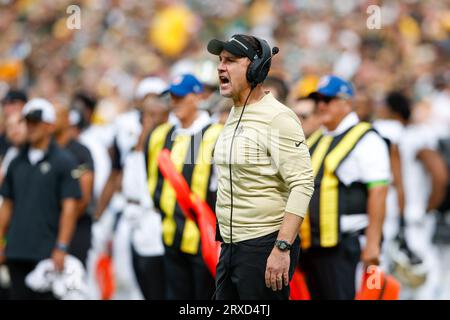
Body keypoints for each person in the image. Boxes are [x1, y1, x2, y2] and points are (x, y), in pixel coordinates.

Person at [207, 34, 314, 300]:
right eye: (220, 60)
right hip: (231, 246)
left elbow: (302, 184)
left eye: (231, 60)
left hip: (264, 246)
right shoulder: (234, 111)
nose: (221, 67)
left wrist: (282, 247)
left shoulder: (278, 117)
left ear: (256, 68)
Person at [300, 75, 391, 300]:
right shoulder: (317, 138)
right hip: (313, 244)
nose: (321, 105)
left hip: (346, 244)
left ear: (346, 102)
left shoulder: (366, 138)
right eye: (318, 99)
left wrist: (372, 243)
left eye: (328, 99)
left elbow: (378, 191)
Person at [145, 73, 222, 299]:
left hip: (204, 237)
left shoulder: (212, 134)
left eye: (181, 97)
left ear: (197, 97)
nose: (175, 102)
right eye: (173, 97)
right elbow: (153, 179)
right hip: (171, 234)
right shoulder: (161, 135)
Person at [0, 98, 81, 300]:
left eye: (36, 122)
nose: (31, 127)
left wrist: (61, 246)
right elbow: (7, 205)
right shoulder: (16, 162)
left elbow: (69, 208)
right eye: (28, 122)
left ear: (50, 126)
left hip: (47, 251)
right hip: (17, 250)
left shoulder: (64, 161)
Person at [53, 100, 95, 266]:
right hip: (49, 229)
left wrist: (62, 224)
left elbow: (84, 198)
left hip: (77, 228)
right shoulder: (45, 151)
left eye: (55, 116)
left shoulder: (80, 152)